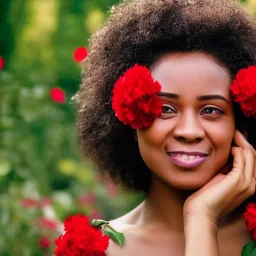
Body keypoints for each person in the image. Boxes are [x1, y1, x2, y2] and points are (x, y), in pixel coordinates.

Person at [75, 0, 256, 255]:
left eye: (211, 110)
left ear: (242, 125)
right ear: (130, 119)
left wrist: (202, 217)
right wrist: (202, 218)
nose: (189, 131)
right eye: (165, 109)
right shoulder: (96, 249)